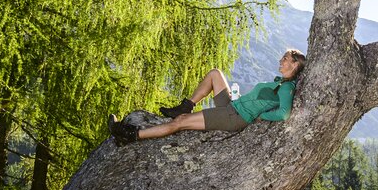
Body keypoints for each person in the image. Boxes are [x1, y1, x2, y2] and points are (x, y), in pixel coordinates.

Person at [108, 49, 306, 145]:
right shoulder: (279, 82)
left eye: (285, 59)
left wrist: (260, 117)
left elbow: (284, 114)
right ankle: (185, 105)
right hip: (233, 106)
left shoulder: (286, 87)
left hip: (234, 117)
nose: (281, 60)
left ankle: (130, 135)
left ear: (295, 65)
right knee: (215, 74)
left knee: (180, 123)